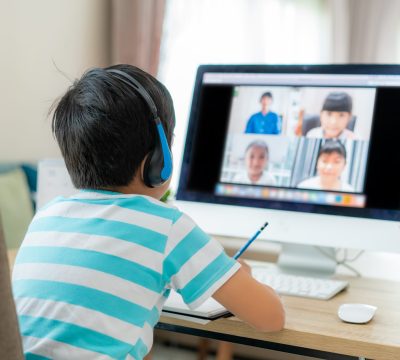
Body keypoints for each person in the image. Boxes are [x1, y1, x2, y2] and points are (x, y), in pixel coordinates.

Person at [12, 65, 285, 360]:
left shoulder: (46, 216)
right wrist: (241, 277)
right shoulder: (167, 225)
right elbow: (271, 319)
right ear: (160, 158)